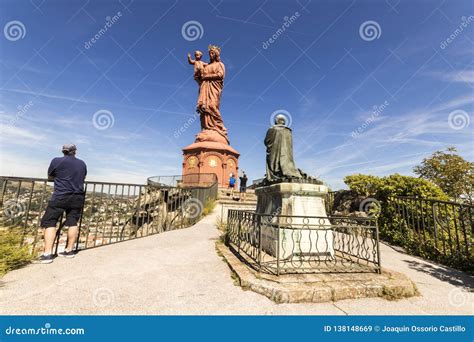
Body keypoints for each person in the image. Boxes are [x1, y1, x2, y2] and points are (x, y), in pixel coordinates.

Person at [37, 144, 87, 264]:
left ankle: (48, 254)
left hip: (61, 195)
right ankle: (69, 251)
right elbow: (83, 177)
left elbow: (50, 176)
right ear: (75, 151)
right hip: (78, 196)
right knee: (72, 222)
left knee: (50, 222)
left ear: (63, 151)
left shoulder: (56, 161)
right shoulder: (82, 163)